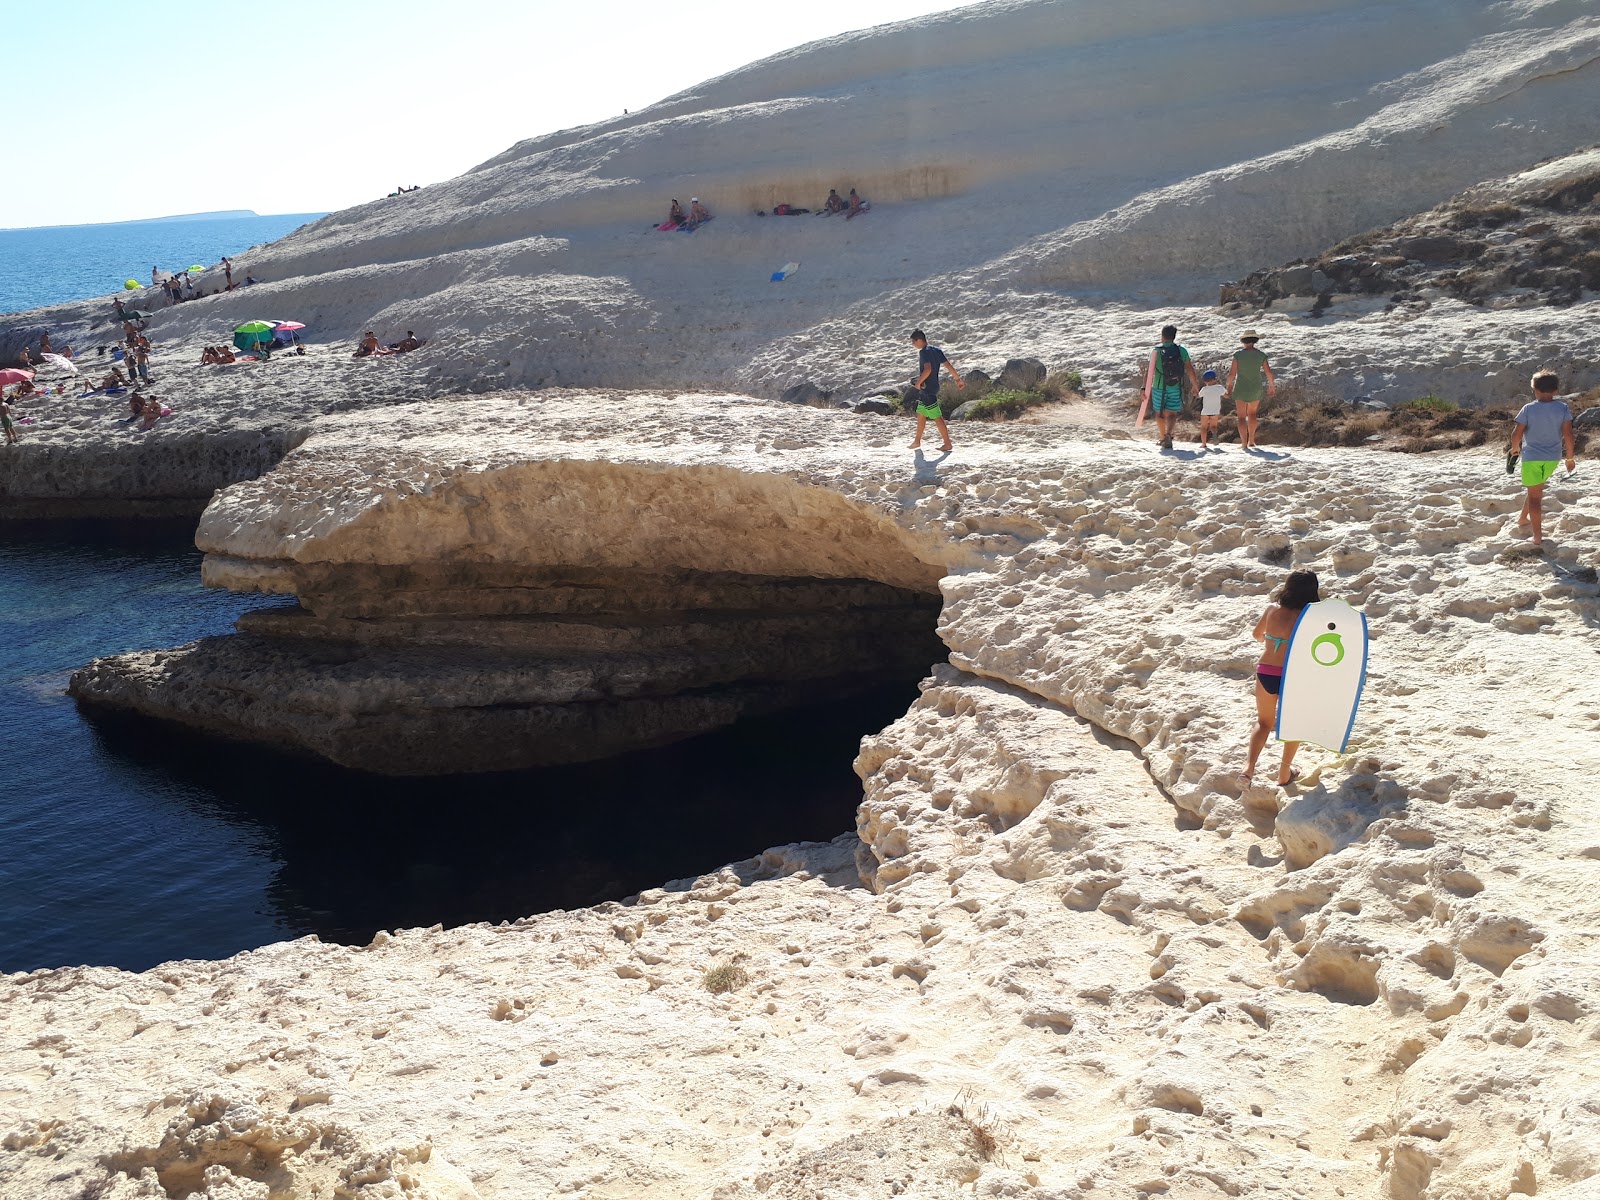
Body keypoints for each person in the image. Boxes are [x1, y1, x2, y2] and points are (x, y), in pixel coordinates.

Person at [1242, 569, 1319, 788]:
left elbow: (1257, 635)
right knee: (1294, 725)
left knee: (1264, 722)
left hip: (1266, 670)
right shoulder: (1310, 615)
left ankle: (1247, 770)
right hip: (1293, 675)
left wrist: (1272, 639)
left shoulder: (1272, 609)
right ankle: (1284, 773)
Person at [1508, 369, 1577, 548]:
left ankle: (1537, 536)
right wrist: (1569, 458)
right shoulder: (1562, 408)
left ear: (1534, 390)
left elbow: (1517, 434)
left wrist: (1515, 449)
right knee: (1535, 488)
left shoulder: (1529, 409)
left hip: (1532, 458)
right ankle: (1523, 518)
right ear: (1556, 390)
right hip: (1553, 458)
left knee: (1535, 497)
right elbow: (1568, 434)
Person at [1142, 324, 1198, 450]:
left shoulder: (1156, 351)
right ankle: (1169, 434)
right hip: (1175, 386)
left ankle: (1162, 438)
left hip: (1159, 386)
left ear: (1162, 336)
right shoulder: (1181, 350)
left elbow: (1149, 372)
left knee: (1160, 413)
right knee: (1172, 413)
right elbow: (1190, 369)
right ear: (1174, 336)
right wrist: (1195, 386)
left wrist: (1144, 388)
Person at [909, 329, 962, 452]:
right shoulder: (936, 350)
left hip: (927, 389)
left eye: (913, 341)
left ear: (920, 340)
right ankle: (917, 441)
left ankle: (947, 443)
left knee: (937, 417)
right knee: (921, 414)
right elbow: (948, 365)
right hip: (933, 386)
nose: (913, 344)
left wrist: (918, 383)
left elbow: (928, 369)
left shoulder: (924, 352)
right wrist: (958, 379)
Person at [1227, 330, 1276, 450]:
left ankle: (1244, 443)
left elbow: (1232, 374)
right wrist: (1272, 386)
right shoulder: (1261, 355)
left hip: (1241, 387)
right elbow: (1268, 372)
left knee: (1241, 417)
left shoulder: (1238, 355)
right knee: (1253, 414)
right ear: (1255, 340)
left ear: (1243, 340)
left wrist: (1228, 387)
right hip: (1256, 387)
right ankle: (1252, 441)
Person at [1197, 369, 1227, 450]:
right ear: (1215, 379)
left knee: (1203, 427)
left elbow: (1199, 396)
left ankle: (1204, 444)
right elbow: (1226, 396)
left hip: (1205, 411)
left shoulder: (1204, 389)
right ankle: (1214, 434)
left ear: (1205, 381)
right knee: (1213, 426)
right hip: (1215, 411)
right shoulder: (1219, 388)